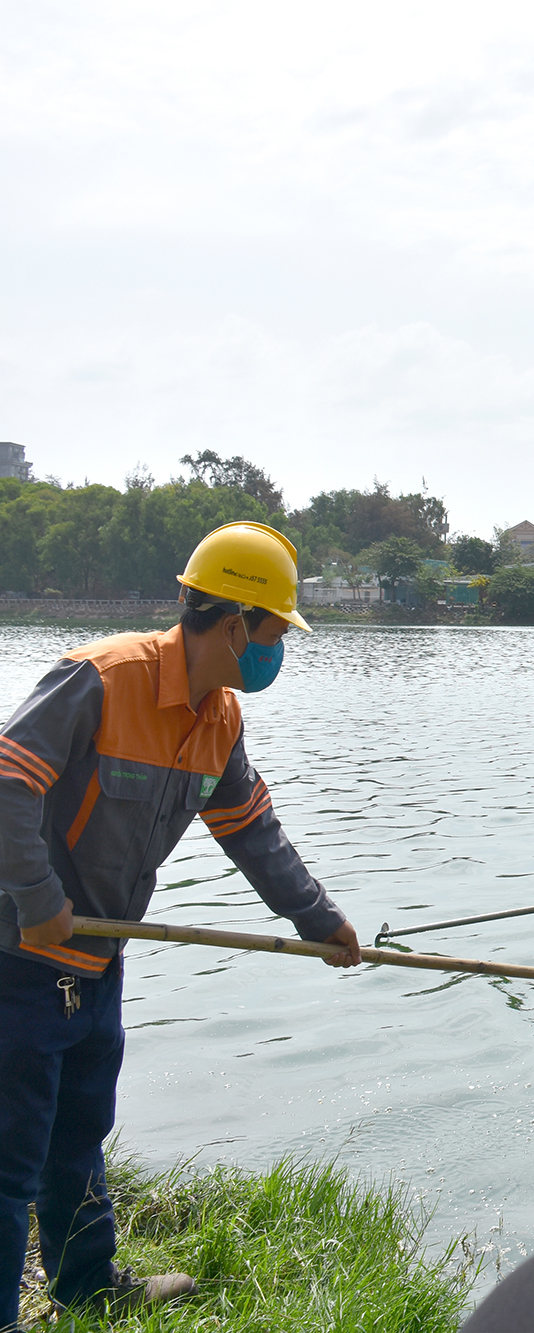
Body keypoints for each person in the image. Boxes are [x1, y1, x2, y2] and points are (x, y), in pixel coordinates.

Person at [1, 521, 362, 1327]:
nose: (278, 649)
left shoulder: (219, 718)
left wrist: (319, 919)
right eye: (274, 632)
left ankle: (88, 1284)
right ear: (235, 623)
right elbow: (7, 780)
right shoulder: (101, 679)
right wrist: (37, 898)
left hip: (99, 956)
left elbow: (252, 831)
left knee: (82, 1124)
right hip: (21, 956)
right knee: (10, 1152)